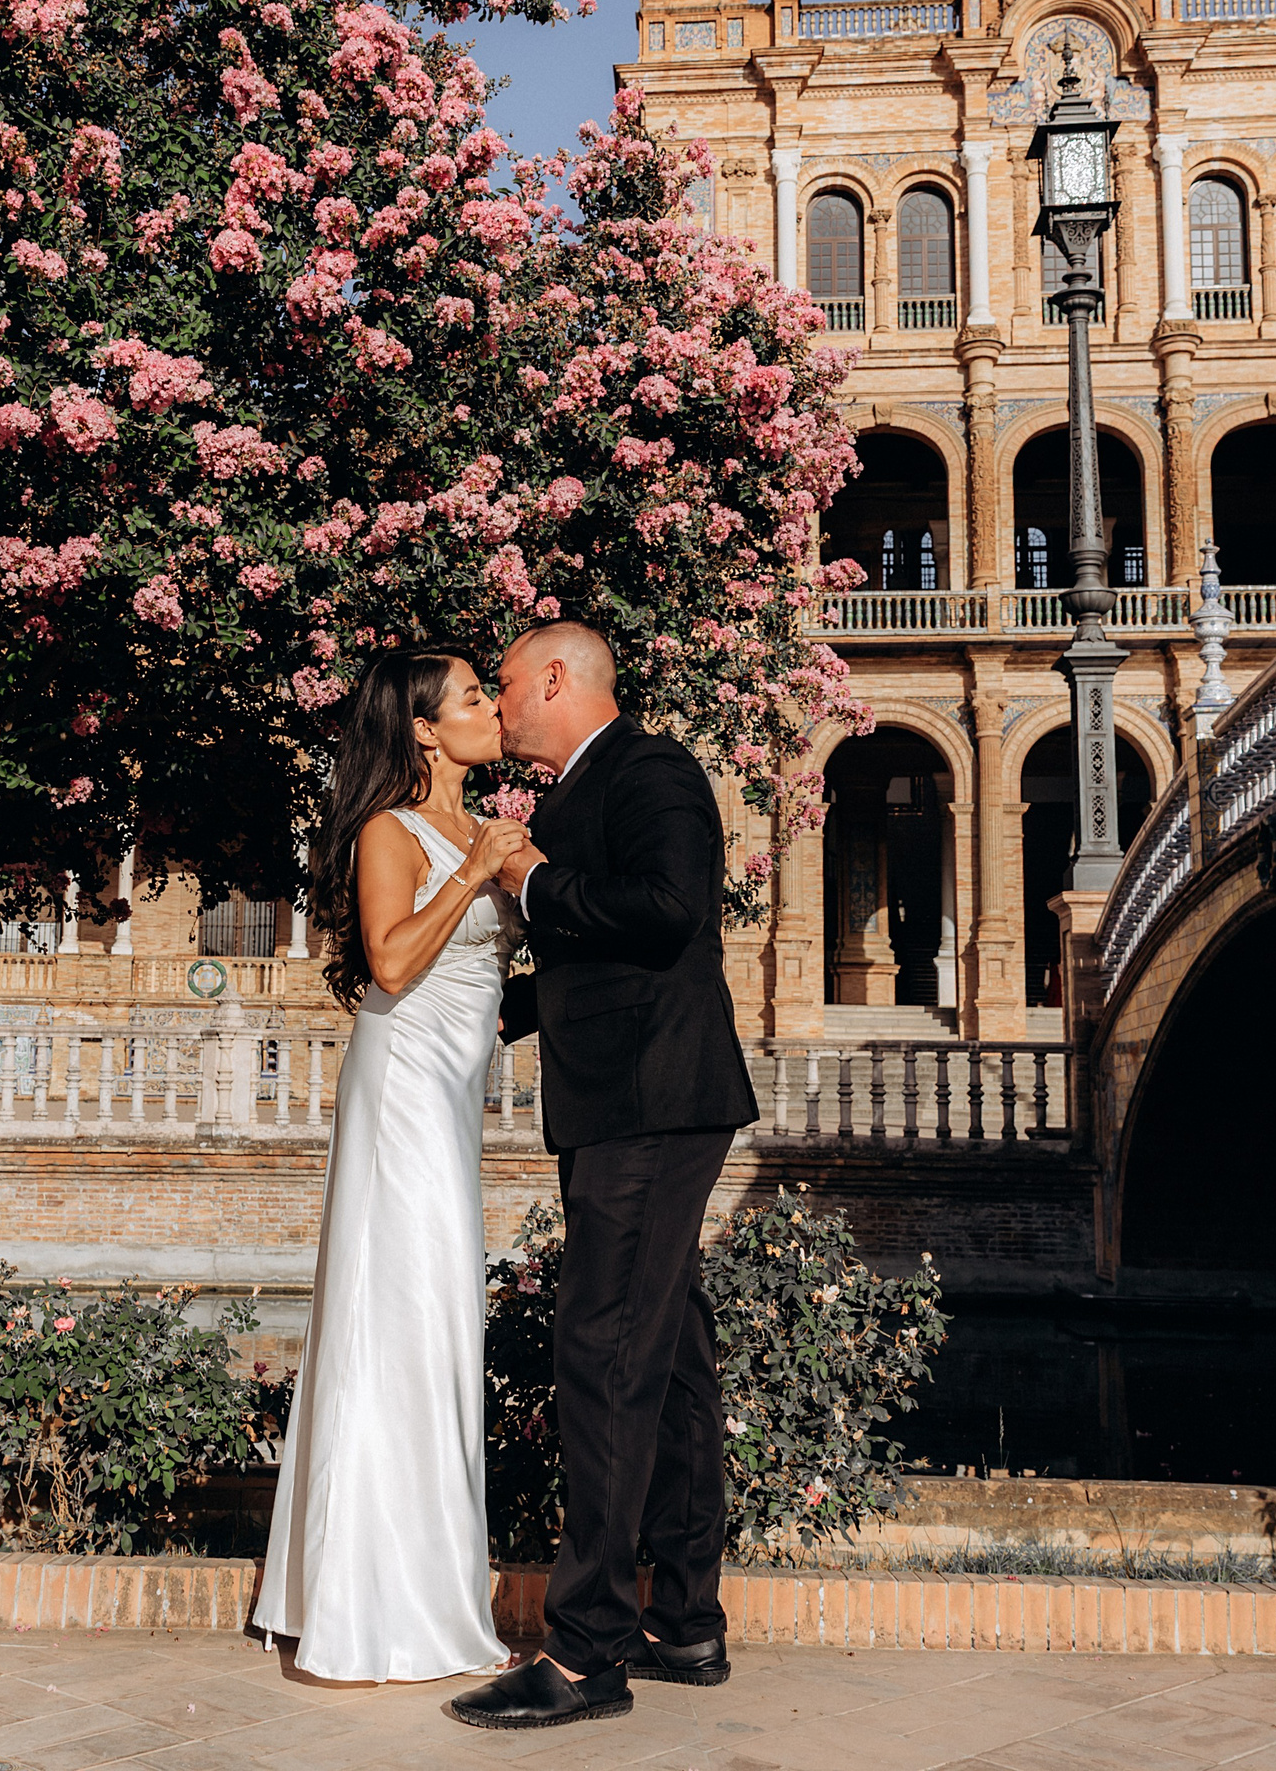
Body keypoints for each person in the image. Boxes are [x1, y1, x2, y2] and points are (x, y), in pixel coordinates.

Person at [444, 622, 756, 1732]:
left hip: (652, 1099)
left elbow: (667, 912)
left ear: (556, 680)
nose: (501, 704)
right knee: (665, 1355)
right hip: (626, 1097)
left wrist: (532, 880)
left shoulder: (650, 768)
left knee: (603, 1350)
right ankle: (685, 1619)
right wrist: (470, 1011)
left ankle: (583, 1653)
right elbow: (588, 960)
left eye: (508, 683)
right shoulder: (578, 792)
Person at [255, 650, 533, 1684]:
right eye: (469, 697)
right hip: (402, 1083)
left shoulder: (484, 827)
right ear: (422, 729)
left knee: (442, 1317)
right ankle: (377, 1601)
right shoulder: (391, 829)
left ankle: (422, 1575)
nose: (488, 709)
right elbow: (390, 958)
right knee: (401, 1312)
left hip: (453, 1093)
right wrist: (475, 870)